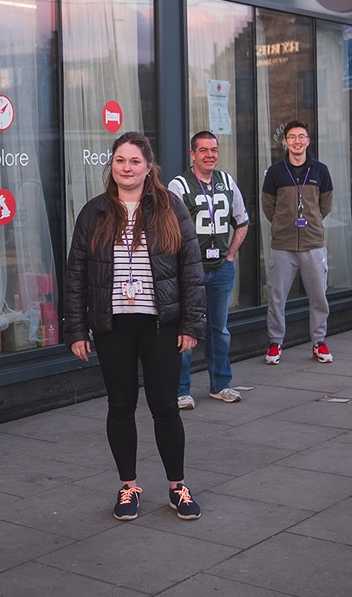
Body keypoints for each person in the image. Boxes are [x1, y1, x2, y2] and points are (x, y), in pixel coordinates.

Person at [64, 131, 206, 521]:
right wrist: (76, 330)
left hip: (162, 325)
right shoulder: (94, 212)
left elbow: (190, 270)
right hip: (113, 327)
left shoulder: (170, 207)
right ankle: (128, 487)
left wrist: (191, 324)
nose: (127, 168)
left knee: (165, 408)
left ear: (148, 167)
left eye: (135, 162)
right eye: (120, 161)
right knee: (120, 407)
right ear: (112, 166)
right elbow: (75, 274)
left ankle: (178, 487)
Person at [168, 131, 249, 409]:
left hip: (221, 269)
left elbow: (242, 220)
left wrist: (231, 255)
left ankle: (221, 385)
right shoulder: (178, 185)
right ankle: (181, 391)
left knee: (219, 329)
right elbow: (169, 229)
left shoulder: (227, 181)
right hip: (190, 271)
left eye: (214, 150)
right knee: (186, 329)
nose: (210, 155)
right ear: (192, 154)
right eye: (203, 150)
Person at [261, 120, 334, 365]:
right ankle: (275, 343)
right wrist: (282, 224)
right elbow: (268, 207)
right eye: (292, 137)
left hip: (313, 243)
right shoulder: (275, 172)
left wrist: (310, 221)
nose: (297, 141)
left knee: (318, 296)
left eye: (301, 137)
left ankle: (319, 342)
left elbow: (325, 205)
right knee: (277, 297)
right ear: (286, 142)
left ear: (308, 141)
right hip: (282, 244)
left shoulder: (320, 171)